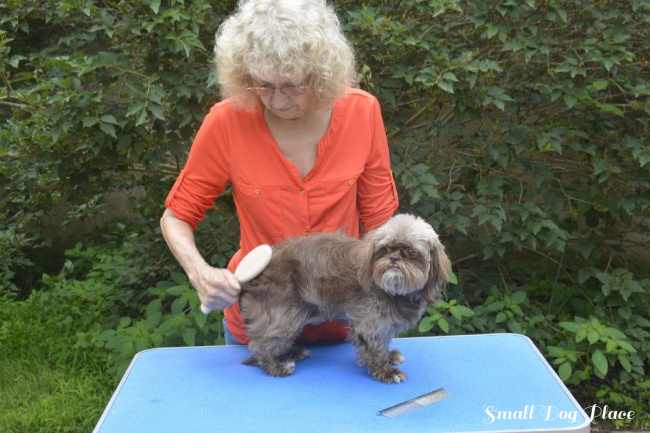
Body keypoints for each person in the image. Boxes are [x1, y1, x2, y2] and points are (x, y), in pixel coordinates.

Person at [160, 0, 399, 345]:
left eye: (291, 85)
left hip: (344, 321)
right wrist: (201, 275)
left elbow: (380, 223)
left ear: (320, 74)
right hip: (262, 321)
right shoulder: (226, 122)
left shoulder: (362, 112)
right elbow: (176, 216)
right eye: (263, 85)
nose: (277, 100)